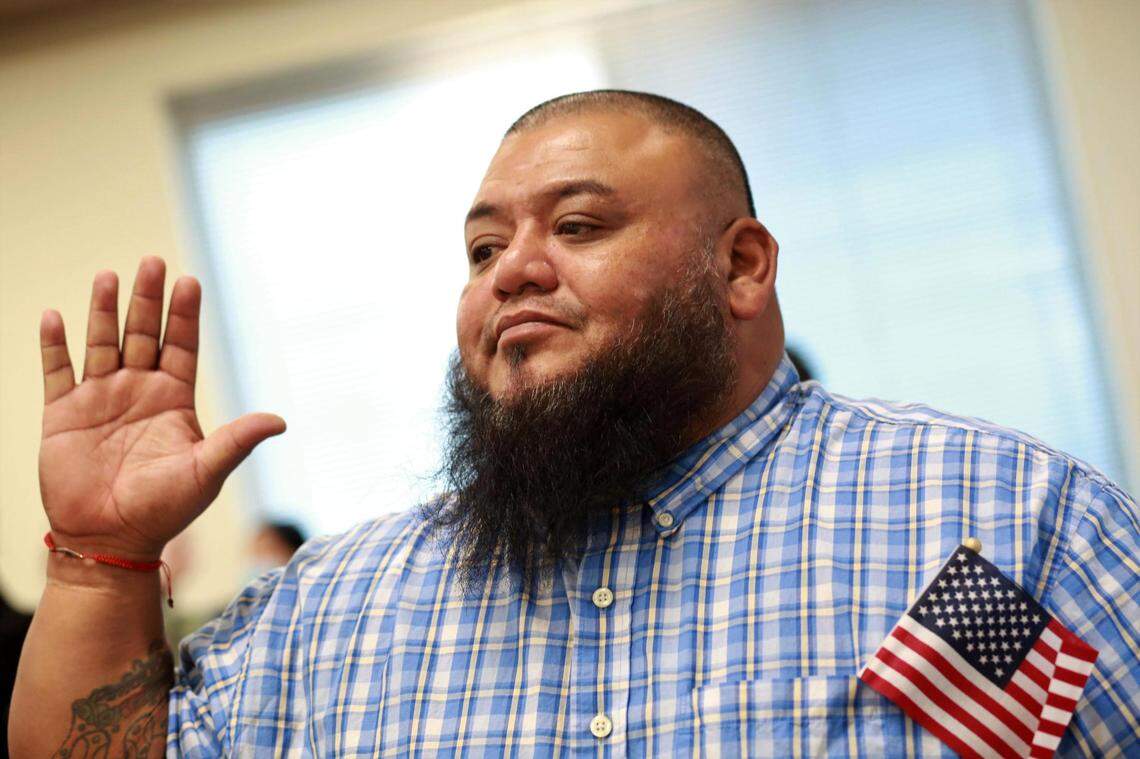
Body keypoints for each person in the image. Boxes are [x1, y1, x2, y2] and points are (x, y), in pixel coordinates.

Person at [11, 90, 1138, 757]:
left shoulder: (988, 522)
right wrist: (101, 558)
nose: (512, 272)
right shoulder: (336, 606)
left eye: (581, 226)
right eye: (482, 249)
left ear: (742, 266)